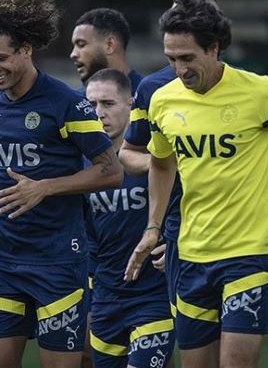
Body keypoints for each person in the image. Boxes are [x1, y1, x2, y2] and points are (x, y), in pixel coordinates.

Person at [124, 0, 268, 368]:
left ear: (214, 47)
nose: (180, 69)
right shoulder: (163, 100)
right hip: (190, 254)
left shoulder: (262, 91)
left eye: (188, 58)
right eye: (171, 59)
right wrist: (153, 227)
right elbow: (162, 165)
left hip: (249, 252)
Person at [0, 0, 123, 368]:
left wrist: (44, 187)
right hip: (2, 258)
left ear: (26, 49)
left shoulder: (66, 103)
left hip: (58, 260)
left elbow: (111, 171)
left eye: (1, 58)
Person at [84, 69, 174, 368]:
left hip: (154, 292)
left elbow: (192, 207)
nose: (99, 113)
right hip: (106, 297)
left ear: (131, 105)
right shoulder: (81, 166)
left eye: (108, 104)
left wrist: (176, 241)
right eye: (92, 105)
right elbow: (85, 234)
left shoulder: (158, 161)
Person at [70, 8, 142, 95]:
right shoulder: (76, 101)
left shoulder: (148, 96)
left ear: (109, 45)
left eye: (81, 44)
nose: (73, 54)